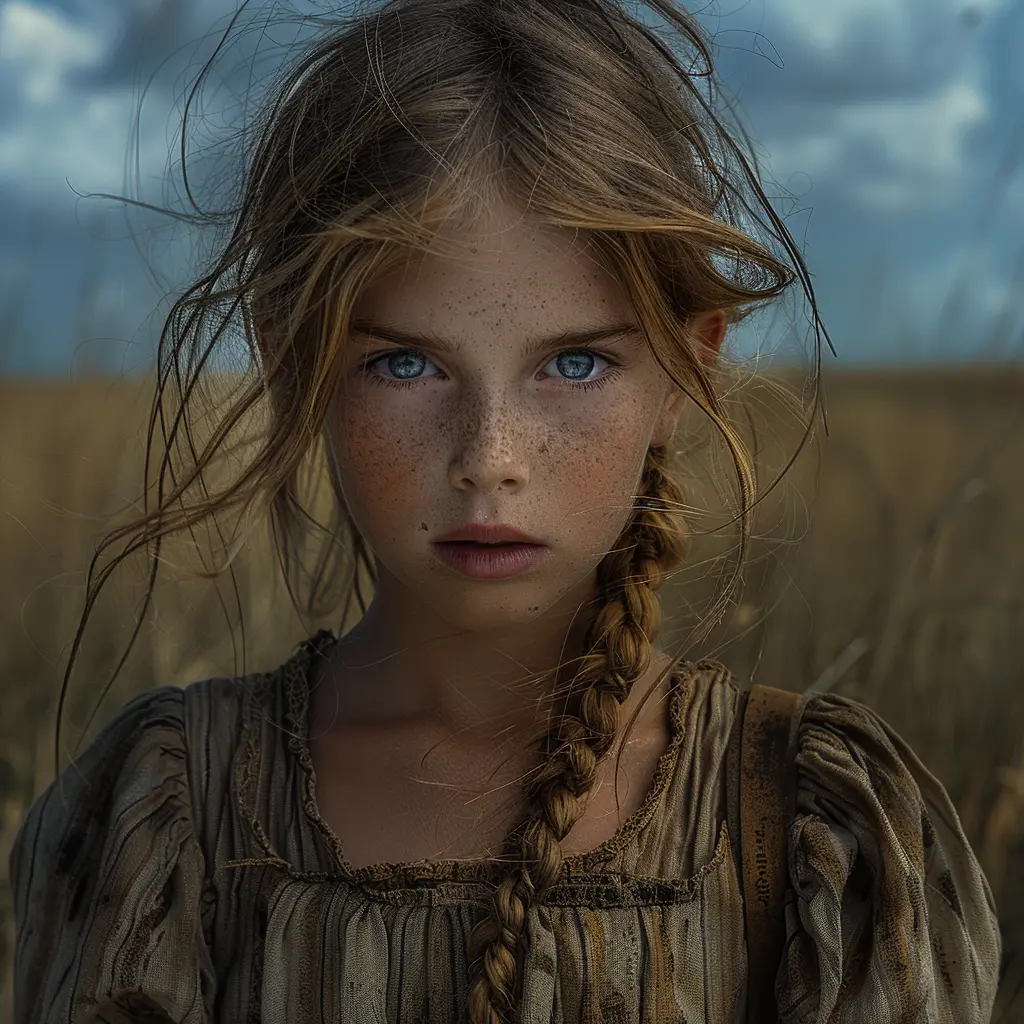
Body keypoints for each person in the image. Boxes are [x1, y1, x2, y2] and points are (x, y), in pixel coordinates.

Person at [8, 0, 1002, 1021]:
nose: (490, 461)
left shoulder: (812, 831)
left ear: (682, 371)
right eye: (404, 363)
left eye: (573, 363)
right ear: (293, 361)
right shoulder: (168, 817)